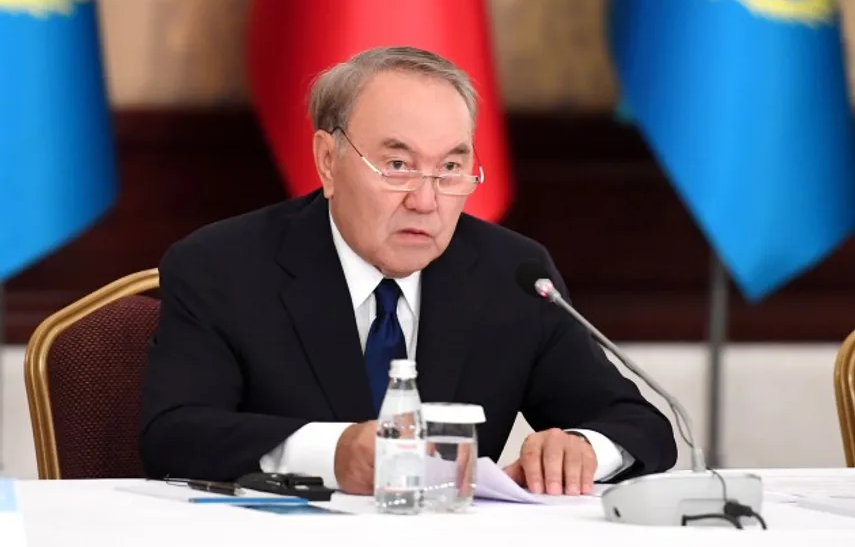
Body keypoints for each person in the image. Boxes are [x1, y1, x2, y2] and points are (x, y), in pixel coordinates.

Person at [139, 46, 677, 496]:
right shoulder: (222, 266)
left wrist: (583, 449)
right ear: (328, 161)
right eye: (398, 165)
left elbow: (640, 426)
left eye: (451, 168)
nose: (426, 201)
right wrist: (335, 453)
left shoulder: (512, 273)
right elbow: (174, 433)